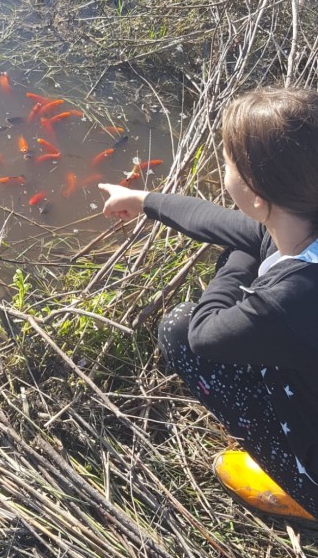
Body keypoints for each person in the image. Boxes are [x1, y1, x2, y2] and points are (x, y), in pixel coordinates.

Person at [99, 86, 318, 521]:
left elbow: (202, 335)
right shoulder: (305, 211)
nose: (224, 171)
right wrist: (146, 201)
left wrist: (244, 255)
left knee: (177, 328)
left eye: (228, 164)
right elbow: (231, 224)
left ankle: (302, 490)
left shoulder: (285, 302)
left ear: (258, 197)